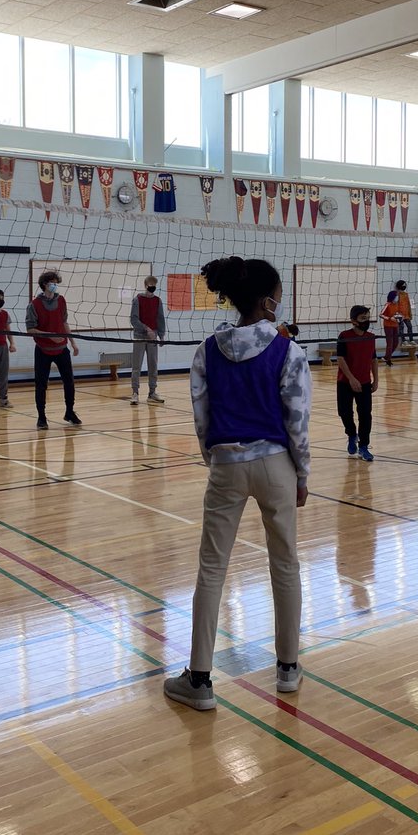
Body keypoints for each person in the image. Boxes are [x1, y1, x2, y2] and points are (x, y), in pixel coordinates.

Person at [163, 256, 311, 712]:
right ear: (267, 301)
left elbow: (201, 417)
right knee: (285, 562)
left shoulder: (206, 350)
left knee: (212, 569)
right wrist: (301, 474)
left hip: (226, 463)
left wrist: (216, 460)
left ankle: (199, 680)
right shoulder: (288, 351)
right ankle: (288, 668)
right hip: (276, 464)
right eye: (279, 295)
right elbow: (297, 421)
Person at [26, 270, 81, 430]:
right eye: (53, 283)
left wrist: (73, 342)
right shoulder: (34, 305)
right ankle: (41, 417)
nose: (55, 285)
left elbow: (64, 323)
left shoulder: (61, 300)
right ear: (45, 284)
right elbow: (30, 329)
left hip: (62, 348)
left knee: (69, 382)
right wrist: (50, 336)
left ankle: (69, 412)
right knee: (41, 384)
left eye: (56, 283)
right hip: (43, 349)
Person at [335, 305, 379, 463]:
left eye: (367, 318)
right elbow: (340, 359)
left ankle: (364, 446)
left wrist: (376, 380)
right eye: (363, 318)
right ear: (353, 321)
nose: (366, 321)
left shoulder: (370, 337)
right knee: (344, 412)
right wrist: (351, 378)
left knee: (365, 415)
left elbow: (373, 359)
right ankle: (352, 434)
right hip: (345, 382)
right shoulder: (344, 336)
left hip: (365, 382)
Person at [130, 275, 166, 406]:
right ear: (146, 286)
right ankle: (135, 393)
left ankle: (152, 392)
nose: (153, 287)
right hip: (140, 337)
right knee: (136, 366)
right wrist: (147, 329)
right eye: (151, 285)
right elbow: (134, 319)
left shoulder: (158, 301)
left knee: (153, 365)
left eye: (154, 285)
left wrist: (161, 335)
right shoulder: (137, 300)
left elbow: (160, 318)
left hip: (153, 338)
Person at [379, 290, 400, 366]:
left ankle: (386, 357)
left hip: (395, 325)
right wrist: (389, 318)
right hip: (388, 326)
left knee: (396, 343)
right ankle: (388, 359)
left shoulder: (397, 305)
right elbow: (381, 315)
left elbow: (397, 314)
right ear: (393, 296)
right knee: (390, 343)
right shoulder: (387, 305)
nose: (397, 297)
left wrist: (399, 317)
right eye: (396, 296)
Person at [394, 280, 416, 346]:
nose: (404, 286)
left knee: (409, 326)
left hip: (406, 315)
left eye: (405, 285)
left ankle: (411, 340)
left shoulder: (406, 295)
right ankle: (404, 340)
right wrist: (396, 314)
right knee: (401, 327)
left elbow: (408, 305)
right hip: (400, 315)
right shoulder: (397, 295)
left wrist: (410, 314)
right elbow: (395, 304)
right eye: (403, 285)